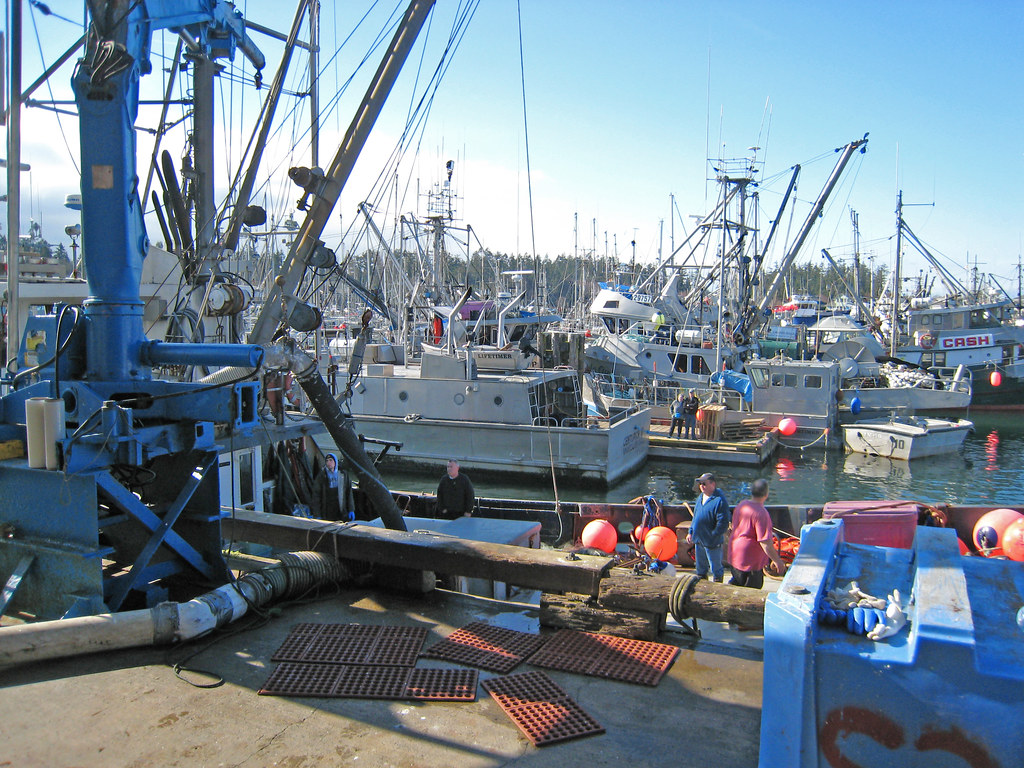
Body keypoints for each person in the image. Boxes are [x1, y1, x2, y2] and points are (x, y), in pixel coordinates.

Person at [728, 478, 787, 589]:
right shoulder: (761, 513)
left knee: (737, 583)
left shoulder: (742, 505)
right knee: (752, 590)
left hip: (734, 553)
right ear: (766, 493)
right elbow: (765, 542)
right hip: (750, 560)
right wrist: (777, 561)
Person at [686, 472, 730, 582]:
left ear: (713, 484)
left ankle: (717, 585)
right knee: (700, 568)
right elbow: (695, 516)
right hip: (699, 538)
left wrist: (714, 535)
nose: (702, 486)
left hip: (712, 541)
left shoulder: (720, 500)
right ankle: (702, 582)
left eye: (704, 483)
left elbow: (723, 522)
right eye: (700, 484)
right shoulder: (700, 497)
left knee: (715, 567)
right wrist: (690, 532)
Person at [310, 453, 345, 520]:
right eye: (327, 461)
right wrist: (317, 514)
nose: (329, 462)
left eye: (331, 460)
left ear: (335, 462)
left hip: (339, 508)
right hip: (327, 508)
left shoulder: (343, 475)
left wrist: (351, 509)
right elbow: (316, 496)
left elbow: (348, 493)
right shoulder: (321, 476)